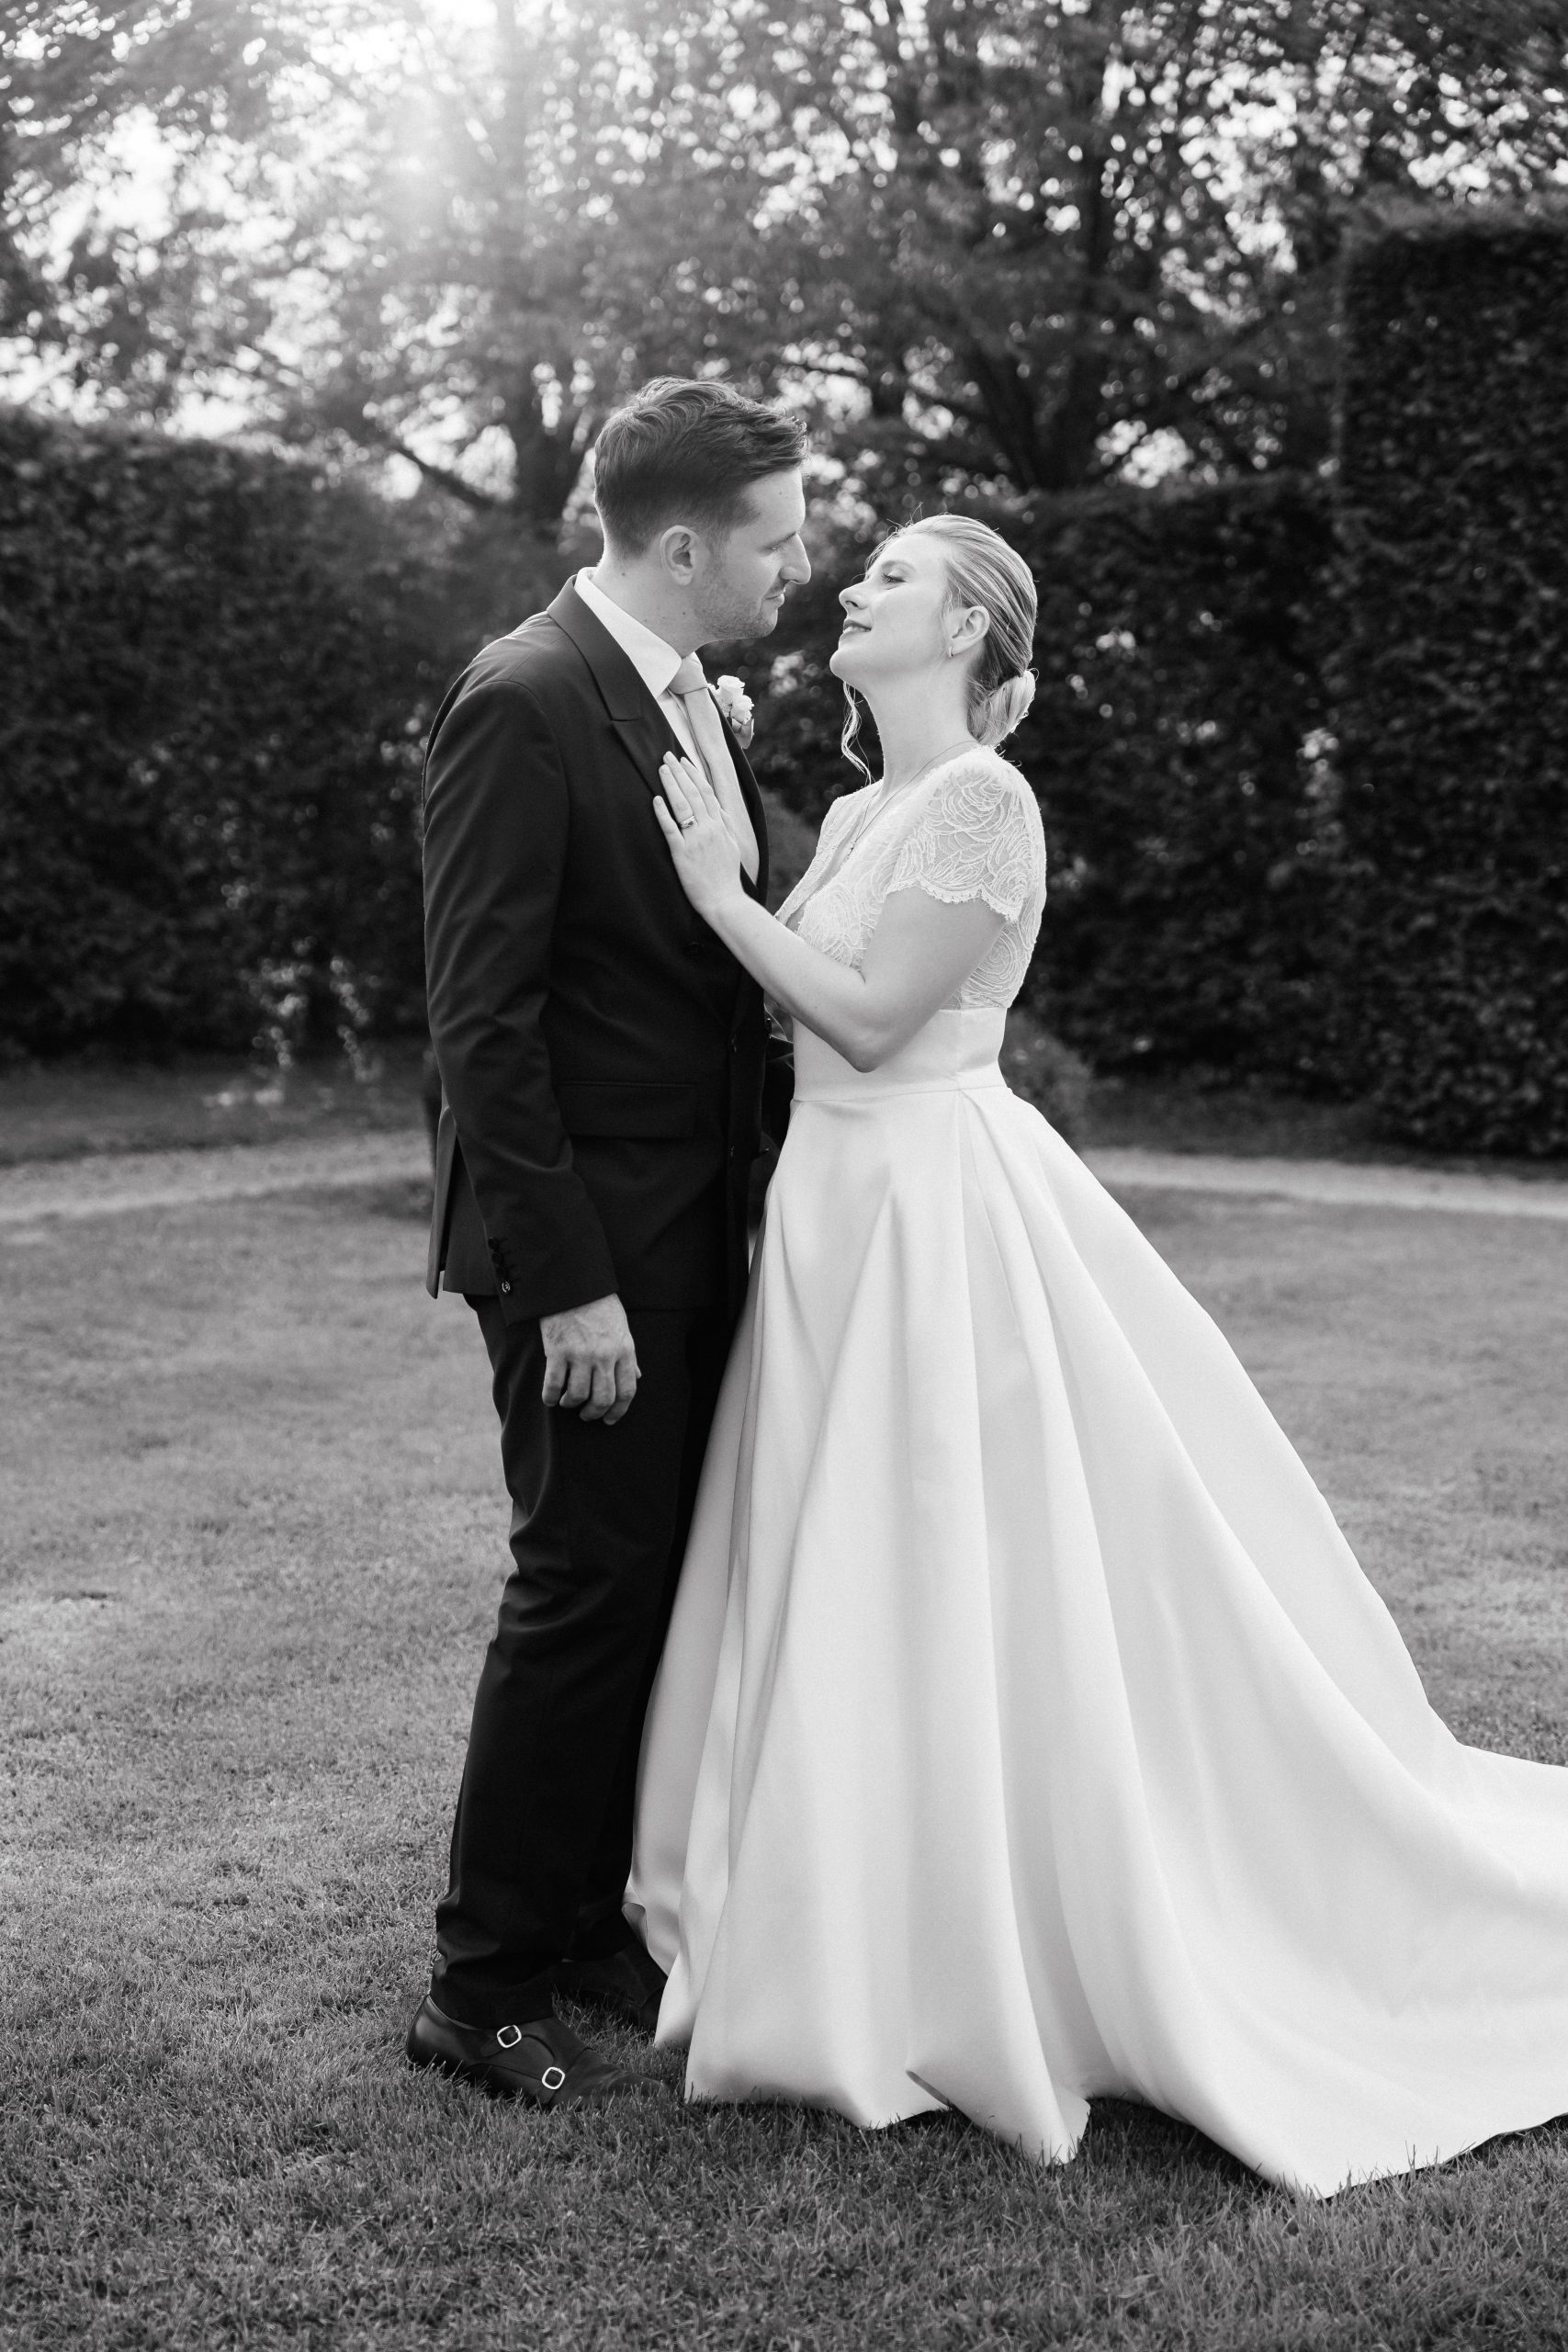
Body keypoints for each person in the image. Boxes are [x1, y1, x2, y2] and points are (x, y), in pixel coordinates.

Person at [629, 512, 1568, 2196]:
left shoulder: (985, 802)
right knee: (854, 1556)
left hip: (930, 1209)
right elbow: (798, 1003)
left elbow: (868, 1020)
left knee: (955, 1546)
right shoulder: (865, 806)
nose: (853, 588)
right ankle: (850, 1885)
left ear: (969, 632)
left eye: (894, 577)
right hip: (833, 1209)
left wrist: (717, 895)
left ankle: (973, 1923)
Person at [407, 379, 805, 2106]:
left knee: (649, 1584)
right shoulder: (525, 697)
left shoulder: (688, 695)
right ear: (688, 546)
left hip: (698, 1220)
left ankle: (581, 1923)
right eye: (781, 541)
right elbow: (481, 1027)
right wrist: (569, 1283)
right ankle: (479, 1981)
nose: (800, 569)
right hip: (589, 1249)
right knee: (579, 1585)